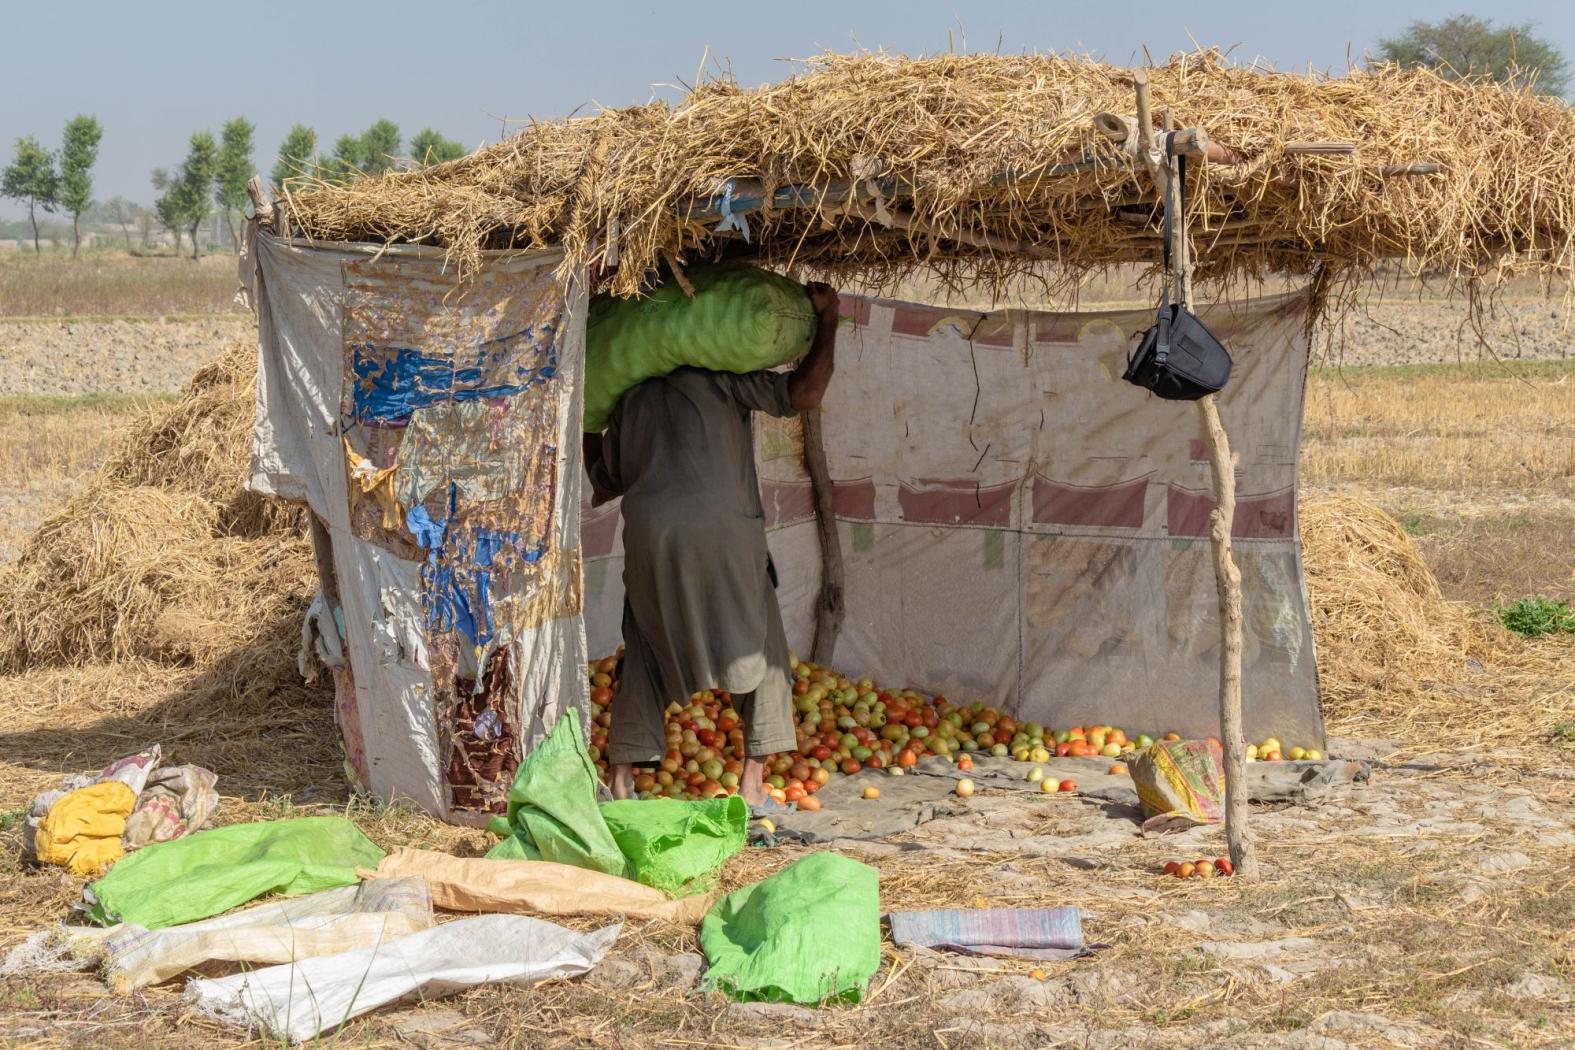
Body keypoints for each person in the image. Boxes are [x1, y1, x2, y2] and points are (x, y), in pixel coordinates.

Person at [584, 281, 841, 808]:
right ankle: (751, 781)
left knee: (646, 644)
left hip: (651, 539)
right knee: (764, 644)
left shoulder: (629, 396)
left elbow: (604, 480)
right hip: (723, 533)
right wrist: (830, 319)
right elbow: (807, 393)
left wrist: (592, 415)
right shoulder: (723, 377)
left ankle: (622, 779)